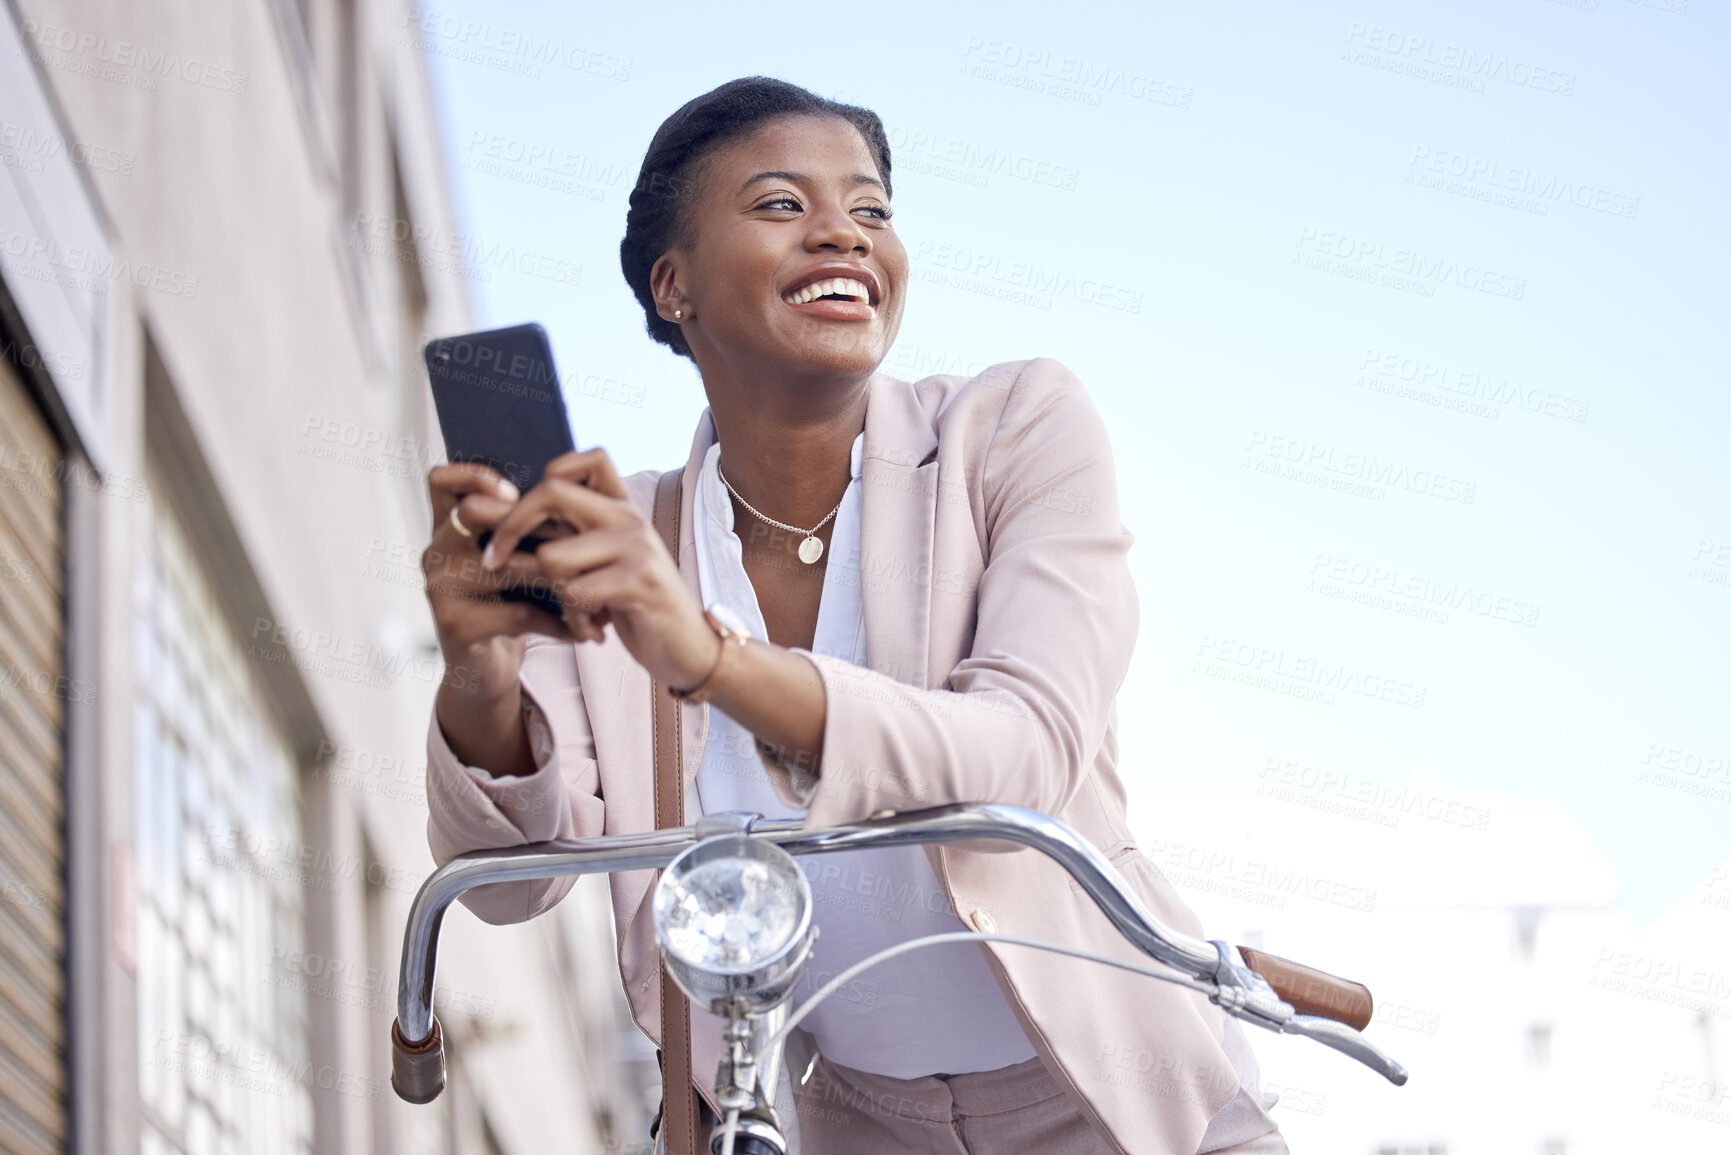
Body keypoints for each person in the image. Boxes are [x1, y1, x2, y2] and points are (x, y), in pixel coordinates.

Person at [420, 76, 1284, 1155]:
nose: (844, 233)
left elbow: (1024, 753)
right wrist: (480, 677)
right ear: (672, 283)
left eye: (872, 209)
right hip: (862, 1120)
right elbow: (517, 883)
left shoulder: (1014, 430)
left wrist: (711, 660)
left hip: (1121, 1101)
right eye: (782, 204)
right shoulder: (630, 536)